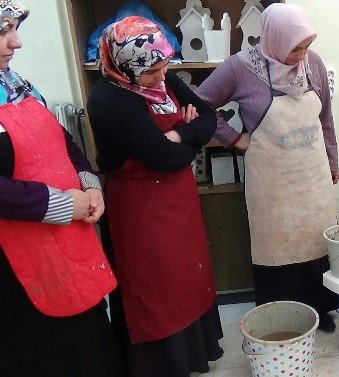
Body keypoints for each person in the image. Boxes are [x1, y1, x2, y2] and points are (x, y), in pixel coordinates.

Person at [86, 16, 222, 377]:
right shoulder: (109, 100)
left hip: (179, 201)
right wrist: (187, 135)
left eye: (164, 67)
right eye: (152, 73)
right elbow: (165, 159)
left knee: (187, 277)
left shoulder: (165, 77)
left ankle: (195, 354)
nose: (162, 77)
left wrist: (178, 133)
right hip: (140, 208)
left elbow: (208, 116)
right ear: (125, 68)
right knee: (155, 288)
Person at [197, 3, 339, 332]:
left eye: (307, 46)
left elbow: (326, 117)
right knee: (279, 250)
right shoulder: (239, 68)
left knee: (317, 243)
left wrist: (333, 160)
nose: (303, 55)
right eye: (295, 48)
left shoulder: (312, 63)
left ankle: (320, 309)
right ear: (274, 39)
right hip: (271, 183)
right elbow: (200, 104)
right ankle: (286, 316)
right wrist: (233, 139)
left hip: (312, 176)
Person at [0, 2, 124, 376]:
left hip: (65, 246)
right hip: (16, 268)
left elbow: (64, 141)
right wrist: (59, 204)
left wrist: (90, 185)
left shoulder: (17, 86)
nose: (17, 42)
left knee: (90, 338)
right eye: (3, 33)